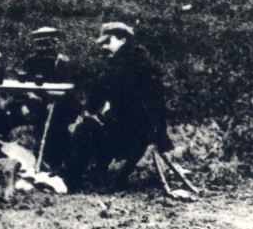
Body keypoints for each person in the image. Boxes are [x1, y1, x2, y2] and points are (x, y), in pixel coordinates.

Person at [64, 21, 174, 191]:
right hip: (126, 128)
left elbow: (154, 105)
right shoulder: (118, 64)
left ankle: (75, 181)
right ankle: (87, 177)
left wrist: (160, 136)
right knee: (88, 127)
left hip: (135, 132)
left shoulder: (136, 67)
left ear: (122, 40)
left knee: (85, 131)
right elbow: (97, 96)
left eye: (108, 42)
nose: (104, 47)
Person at [0, 27, 79, 172]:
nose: (43, 48)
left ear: (55, 44)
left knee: (53, 122)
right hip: (32, 102)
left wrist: (47, 101)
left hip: (57, 104)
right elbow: (23, 85)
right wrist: (25, 101)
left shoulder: (62, 63)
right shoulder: (30, 61)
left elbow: (69, 89)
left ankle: (50, 162)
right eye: (39, 45)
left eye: (47, 44)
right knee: (4, 114)